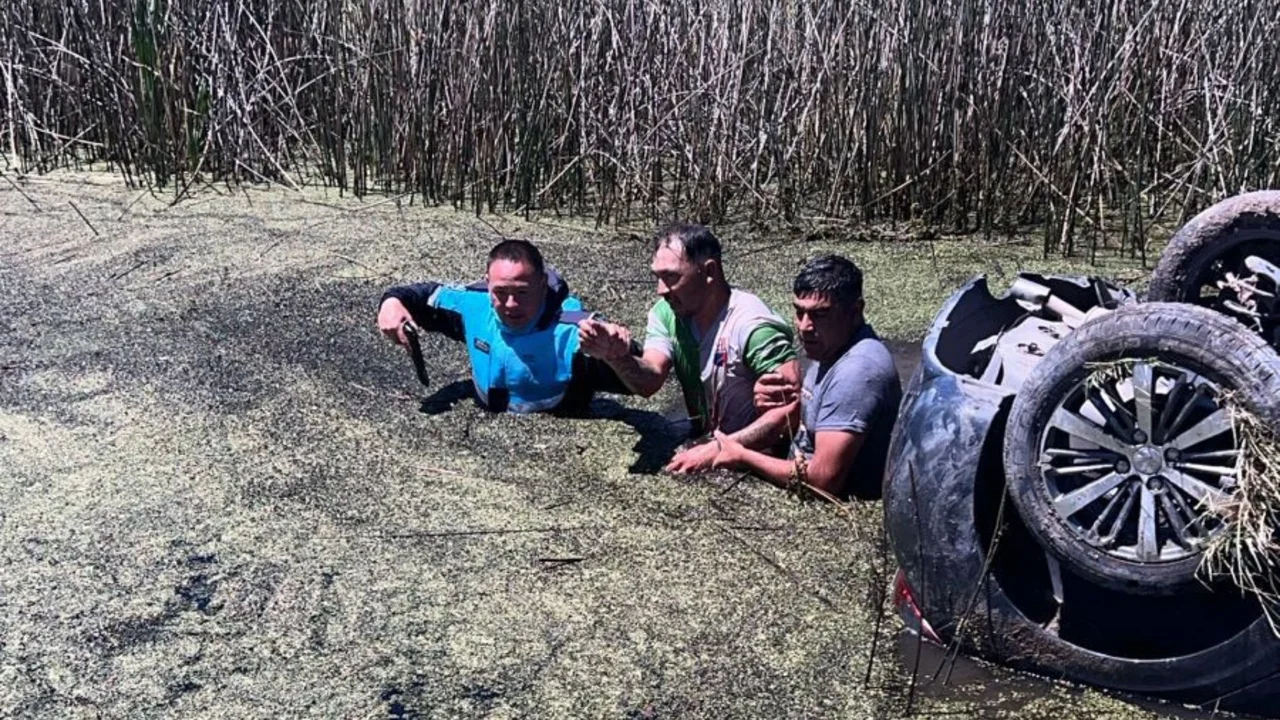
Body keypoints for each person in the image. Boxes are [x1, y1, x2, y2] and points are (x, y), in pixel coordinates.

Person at [578, 223, 801, 473]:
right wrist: (617, 356)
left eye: (671, 277)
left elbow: (791, 411)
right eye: (658, 277)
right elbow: (649, 380)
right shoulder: (666, 314)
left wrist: (720, 449)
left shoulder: (752, 327)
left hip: (759, 458)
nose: (661, 290)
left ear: (709, 271)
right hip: (705, 443)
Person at [712, 255, 902, 500]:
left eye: (819, 315)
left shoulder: (857, 371)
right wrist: (762, 404)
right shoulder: (831, 347)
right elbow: (799, 421)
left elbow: (823, 481)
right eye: (799, 312)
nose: (804, 327)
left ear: (856, 311)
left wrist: (742, 457)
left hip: (837, 508)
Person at [376, 239, 629, 414]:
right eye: (500, 292)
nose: (511, 304)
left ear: (542, 284)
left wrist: (619, 354)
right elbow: (419, 295)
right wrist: (390, 303)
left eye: (522, 292)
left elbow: (644, 378)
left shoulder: (574, 331)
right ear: (487, 285)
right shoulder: (473, 306)